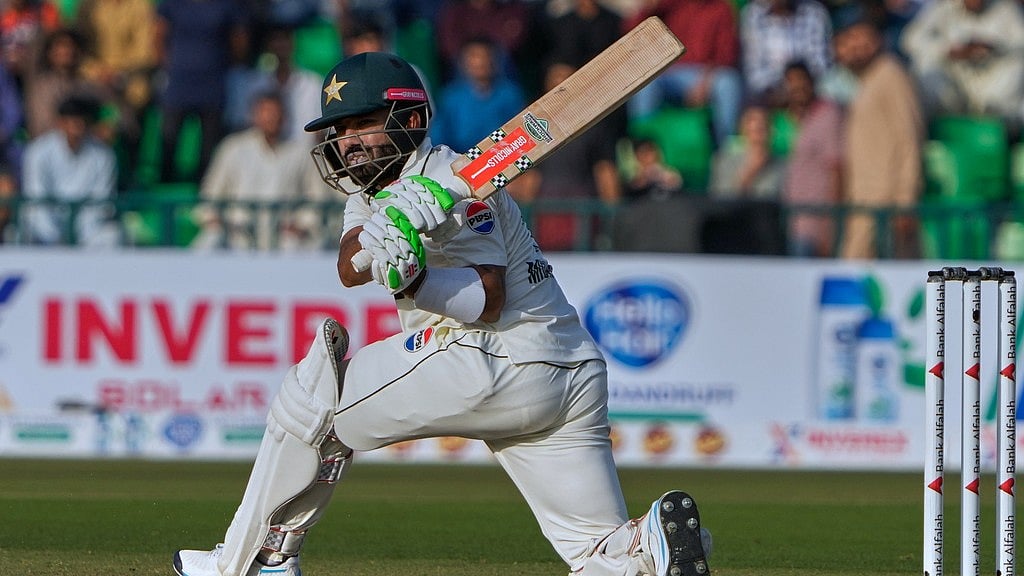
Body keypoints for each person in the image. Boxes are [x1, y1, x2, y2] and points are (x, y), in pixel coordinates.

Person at [172, 51, 712, 576]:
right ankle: (647, 543)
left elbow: (487, 299)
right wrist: (382, 235)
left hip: (494, 355)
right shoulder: (369, 194)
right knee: (599, 553)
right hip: (569, 373)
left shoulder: (463, 182)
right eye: (338, 129)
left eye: (362, 124)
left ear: (409, 119)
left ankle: (246, 564)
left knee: (315, 395)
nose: (347, 142)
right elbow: (347, 266)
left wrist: (416, 275)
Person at [191, 90, 329, 251]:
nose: (270, 118)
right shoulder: (233, 148)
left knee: (308, 246)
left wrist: (302, 224)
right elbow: (210, 193)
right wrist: (214, 219)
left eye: (275, 113)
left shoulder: (301, 152)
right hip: (237, 235)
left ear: (284, 116)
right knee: (209, 242)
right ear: (254, 116)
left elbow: (318, 196)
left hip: (285, 239)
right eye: (265, 112)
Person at [836, 12, 924, 259]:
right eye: (850, 39)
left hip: (886, 201)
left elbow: (909, 138)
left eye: (863, 38)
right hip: (864, 199)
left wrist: (906, 200)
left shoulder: (891, 75)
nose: (856, 46)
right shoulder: (867, 81)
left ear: (878, 40)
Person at [623, 0, 743, 146]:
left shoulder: (721, 8)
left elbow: (726, 54)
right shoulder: (671, 4)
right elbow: (632, 31)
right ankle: (641, 147)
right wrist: (647, 9)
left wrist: (704, 83)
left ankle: (726, 148)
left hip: (705, 73)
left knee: (729, 83)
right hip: (669, 72)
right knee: (645, 83)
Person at [900, 0, 1024, 123]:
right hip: (956, 81)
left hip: (992, 82)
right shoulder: (943, 8)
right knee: (924, 65)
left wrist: (995, 48)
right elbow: (910, 40)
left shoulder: (1006, 8)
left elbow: (1020, 44)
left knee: (1017, 67)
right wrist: (949, 50)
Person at [20, 94, 119, 247]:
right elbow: (36, 198)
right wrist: (55, 237)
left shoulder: (104, 155)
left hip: (87, 232)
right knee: (22, 232)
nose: (77, 128)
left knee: (112, 236)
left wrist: (76, 235)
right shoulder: (38, 152)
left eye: (82, 122)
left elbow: (101, 203)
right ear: (60, 123)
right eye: (72, 122)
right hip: (46, 232)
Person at [780, 60, 844, 258]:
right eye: (791, 82)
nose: (797, 87)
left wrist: (829, 226)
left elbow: (836, 169)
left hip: (814, 223)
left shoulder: (828, 115)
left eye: (801, 80)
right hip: (788, 221)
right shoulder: (786, 119)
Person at [429, 36, 525, 154]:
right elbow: (438, 137)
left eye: (486, 55)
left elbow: (520, 133)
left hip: (502, 159)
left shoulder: (510, 94)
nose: (481, 61)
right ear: (463, 61)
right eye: (474, 56)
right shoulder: (450, 97)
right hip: (458, 160)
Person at [739, 0, 833, 104]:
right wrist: (784, 87)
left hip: (809, 88)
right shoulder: (753, 15)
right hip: (770, 94)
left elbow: (820, 64)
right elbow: (754, 74)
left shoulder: (814, 12)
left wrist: (798, 83)